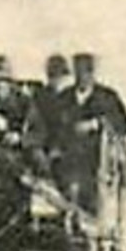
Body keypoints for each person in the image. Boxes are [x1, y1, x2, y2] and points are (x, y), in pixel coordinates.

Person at [56, 52, 126, 215]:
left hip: (98, 162)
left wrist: (97, 124)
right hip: (69, 161)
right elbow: (54, 127)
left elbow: (125, 126)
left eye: (87, 72)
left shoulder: (107, 97)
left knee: (94, 203)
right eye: (79, 72)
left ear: (93, 74)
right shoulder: (64, 98)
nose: (83, 77)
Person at [24, 53, 73, 182]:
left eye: (59, 76)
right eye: (52, 75)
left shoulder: (71, 98)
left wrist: (59, 148)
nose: (56, 80)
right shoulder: (41, 97)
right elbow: (34, 124)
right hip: (44, 147)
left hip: (67, 150)